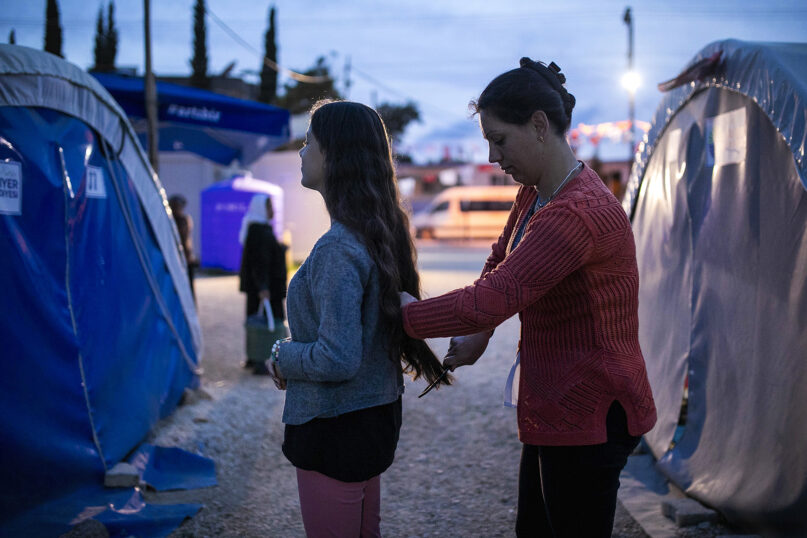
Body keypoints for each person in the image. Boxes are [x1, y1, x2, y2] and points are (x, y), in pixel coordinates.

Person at [400, 58, 657, 537]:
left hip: (592, 408)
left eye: (499, 140)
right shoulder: (539, 191)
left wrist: (405, 315)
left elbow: (496, 295)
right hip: (559, 402)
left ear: (539, 125)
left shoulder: (576, 213)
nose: (495, 157)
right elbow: (501, 261)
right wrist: (478, 332)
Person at [267, 100, 447, 537]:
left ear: (336, 156)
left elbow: (336, 358)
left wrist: (281, 357)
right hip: (371, 421)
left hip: (333, 429)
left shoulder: (337, 248)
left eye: (309, 142)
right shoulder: (377, 234)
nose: (301, 152)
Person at [238, 194, 288, 374]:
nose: (272, 211)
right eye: (269, 207)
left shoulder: (257, 228)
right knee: (268, 322)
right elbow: (259, 261)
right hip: (266, 288)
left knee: (256, 318)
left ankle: (255, 357)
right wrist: (263, 287)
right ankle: (262, 360)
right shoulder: (260, 231)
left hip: (261, 286)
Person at [168, 194, 198, 301]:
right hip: (175, 259)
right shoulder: (169, 221)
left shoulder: (184, 220)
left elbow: (185, 237)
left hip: (185, 257)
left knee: (188, 289)